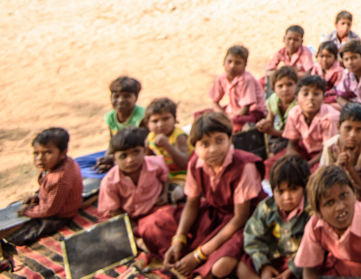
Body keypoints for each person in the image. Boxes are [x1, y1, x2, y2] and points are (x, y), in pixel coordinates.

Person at [139, 112, 265, 278]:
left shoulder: (244, 166)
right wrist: (179, 239)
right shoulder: (195, 164)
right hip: (215, 214)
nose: (213, 150)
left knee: (218, 267)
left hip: (245, 221)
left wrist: (199, 255)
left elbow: (239, 219)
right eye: (205, 144)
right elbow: (192, 203)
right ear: (195, 147)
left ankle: (206, 261)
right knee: (154, 223)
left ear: (230, 139)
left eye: (219, 141)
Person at [237, 155, 312, 279]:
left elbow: (314, 247)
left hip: (300, 262)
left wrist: (291, 270)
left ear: (304, 187)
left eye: (293, 189)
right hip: (275, 256)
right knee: (243, 266)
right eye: (280, 192)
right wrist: (264, 265)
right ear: (273, 190)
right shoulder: (266, 208)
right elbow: (253, 238)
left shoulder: (311, 211)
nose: (287, 197)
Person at [6, 128, 83, 246]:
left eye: (47, 153)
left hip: (59, 215)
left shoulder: (59, 178)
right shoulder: (64, 163)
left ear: (63, 153)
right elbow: (47, 189)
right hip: (52, 204)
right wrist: (37, 196)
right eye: (36, 153)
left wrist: (28, 211)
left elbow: (50, 210)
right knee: (12, 208)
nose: (40, 159)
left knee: (14, 236)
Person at [98, 127, 170, 219]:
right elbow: (114, 210)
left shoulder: (157, 163)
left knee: (170, 216)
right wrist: (132, 226)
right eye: (123, 156)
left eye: (136, 152)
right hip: (128, 216)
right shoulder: (110, 181)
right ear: (114, 159)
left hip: (155, 209)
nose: (131, 159)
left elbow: (165, 177)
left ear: (144, 151)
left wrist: (164, 193)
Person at [282, 75, 339, 168]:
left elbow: (328, 150)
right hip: (305, 150)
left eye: (316, 94)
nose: (310, 98)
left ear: (323, 99)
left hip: (325, 154)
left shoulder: (330, 117)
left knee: (315, 174)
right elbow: (292, 143)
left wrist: (307, 165)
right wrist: (291, 159)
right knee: (276, 164)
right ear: (296, 99)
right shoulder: (294, 113)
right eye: (305, 94)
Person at [211, 45, 268, 133]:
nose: (232, 66)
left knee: (235, 124)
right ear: (224, 62)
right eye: (229, 61)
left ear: (244, 65)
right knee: (203, 116)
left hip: (252, 112)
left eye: (237, 63)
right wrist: (222, 115)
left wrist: (227, 118)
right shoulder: (221, 78)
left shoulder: (246, 79)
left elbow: (245, 109)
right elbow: (214, 102)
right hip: (233, 111)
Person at [146, 97, 191, 203]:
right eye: (155, 121)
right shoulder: (150, 137)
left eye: (166, 119)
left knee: (175, 194)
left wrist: (167, 146)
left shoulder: (179, 136)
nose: (160, 124)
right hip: (165, 176)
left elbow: (183, 162)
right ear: (148, 124)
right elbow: (147, 161)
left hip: (183, 175)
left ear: (175, 119)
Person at [96, 75, 145, 171]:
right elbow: (113, 142)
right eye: (116, 96)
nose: (120, 100)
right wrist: (107, 158)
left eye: (127, 96)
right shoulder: (110, 117)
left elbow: (143, 146)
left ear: (136, 98)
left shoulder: (142, 117)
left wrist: (116, 159)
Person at [256, 67, 299, 157]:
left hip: (293, 139)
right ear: (273, 89)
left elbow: (294, 135)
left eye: (289, 85)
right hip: (277, 135)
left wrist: (272, 131)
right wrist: (263, 125)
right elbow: (269, 121)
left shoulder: (298, 105)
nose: (285, 89)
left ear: (296, 86)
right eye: (280, 86)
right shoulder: (273, 100)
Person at [314, 41, 345, 106]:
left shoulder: (339, 70)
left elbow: (338, 87)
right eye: (321, 56)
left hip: (333, 96)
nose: (324, 59)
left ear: (335, 57)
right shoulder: (316, 67)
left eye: (328, 56)